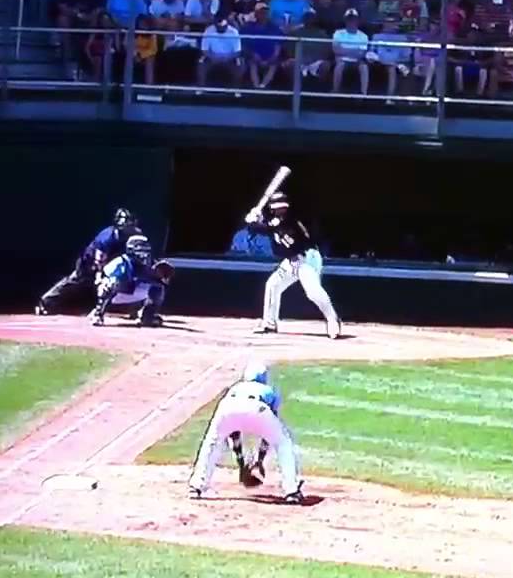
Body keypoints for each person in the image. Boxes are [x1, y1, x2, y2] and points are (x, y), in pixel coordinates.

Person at [187, 360, 306, 503]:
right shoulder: (268, 390)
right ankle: (291, 491)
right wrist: (260, 460)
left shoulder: (235, 388)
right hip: (258, 407)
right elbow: (270, 430)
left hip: (227, 407)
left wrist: (240, 459)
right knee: (283, 443)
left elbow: (233, 432)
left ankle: (196, 486)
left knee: (212, 443)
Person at [245, 192, 342, 340]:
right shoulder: (275, 221)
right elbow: (269, 227)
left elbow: (270, 227)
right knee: (273, 285)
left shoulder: (290, 219)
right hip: (291, 261)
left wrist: (253, 222)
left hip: (307, 258)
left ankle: (333, 320)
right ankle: (270, 323)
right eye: (278, 208)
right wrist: (257, 220)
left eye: (283, 208)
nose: (281, 211)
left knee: (313, 292)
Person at [36, 209, 141, 315]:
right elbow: (99, 259)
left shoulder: (135, 234)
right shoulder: (107, 236)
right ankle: (46, 302)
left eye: (131, 223)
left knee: (130, 281)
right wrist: (99, 275)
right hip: (89, 262)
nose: (129, 226)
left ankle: (134, 309)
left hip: (113, 261)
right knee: (75, 281)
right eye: (127, 223)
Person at [88, 234, 172, 328]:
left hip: (137, 294)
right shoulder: (121, 261)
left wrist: (158, 277)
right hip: (117, 295)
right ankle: (98, 313)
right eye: (139, 246)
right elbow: (105, 276)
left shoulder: (152, 263)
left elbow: (163, 281)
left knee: (158, 287)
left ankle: (147, 317)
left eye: (144, 246)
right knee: (112, 282)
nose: (143, 250)